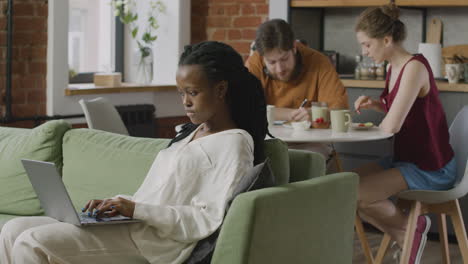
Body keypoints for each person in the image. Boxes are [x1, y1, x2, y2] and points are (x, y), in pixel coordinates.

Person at [0, 41, 268, 264]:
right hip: (134, 227)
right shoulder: (190, 134)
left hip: (157, 245)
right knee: (11, 230)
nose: (185, 101)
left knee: (32, 242)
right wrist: (118, 203)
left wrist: (135, 210)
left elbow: (206, 219)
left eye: (193, 92)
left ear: (221, 89)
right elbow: (157, 197)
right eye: (181, 93)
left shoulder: (234, 143)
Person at [353, 4, 457, 263]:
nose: (364, 51)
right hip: (409, 159)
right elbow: (404, 108)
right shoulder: (393, 67)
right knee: (344, 185)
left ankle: (412, 230)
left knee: (357, 194)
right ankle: (405, 234)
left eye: (367, 45)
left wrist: (375, 122)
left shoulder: (414, 68)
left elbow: (392, 126)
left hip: (430, 167)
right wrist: (377, 105)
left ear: (386, 40)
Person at [246, 19, 348, 160]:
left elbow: (340, 109)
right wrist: (290, 114)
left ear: (294, 47)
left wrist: (315, 114)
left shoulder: (319, 62)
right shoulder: (255, 62)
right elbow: (246, 108)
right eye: (272, 62)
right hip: (268, 142)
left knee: (308, 160)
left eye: (284, 59)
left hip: (311, 143)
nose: (280, 69)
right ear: (263, 58)